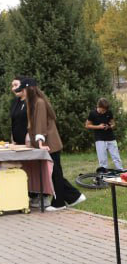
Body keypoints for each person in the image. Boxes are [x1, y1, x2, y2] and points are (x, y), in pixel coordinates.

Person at [19, 78, 85, 210]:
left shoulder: (39, 102)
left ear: (30, 89)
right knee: (54, 173)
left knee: (54, 173)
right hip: (46, 143)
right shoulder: (34, 102)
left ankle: (59, 202)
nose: (21, 93)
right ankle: (74, 196)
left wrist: (40, 142)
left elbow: (41, 124)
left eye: (23, 90)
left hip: (50, 143)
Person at [85, 98, 123, 171]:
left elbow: (113, 123)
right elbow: (87, 125)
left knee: (116, 157)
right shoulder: (92, 113)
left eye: (105, 110)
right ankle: (104, 175)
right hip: (99, 139)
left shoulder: (109, 112)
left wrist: (110, 126)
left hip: (111, 137)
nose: (103, 112)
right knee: (102, 159)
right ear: (98, 106)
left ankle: (121, 171)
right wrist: (98, 127)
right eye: (102, 110)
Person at [9, 78, 27, 144]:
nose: (13, 89)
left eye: (16, 85)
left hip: (31, 143)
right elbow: (14, 122)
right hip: (18, 144)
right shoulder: (15, 102)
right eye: (12, 86)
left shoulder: (33, 102)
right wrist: (13, 139)